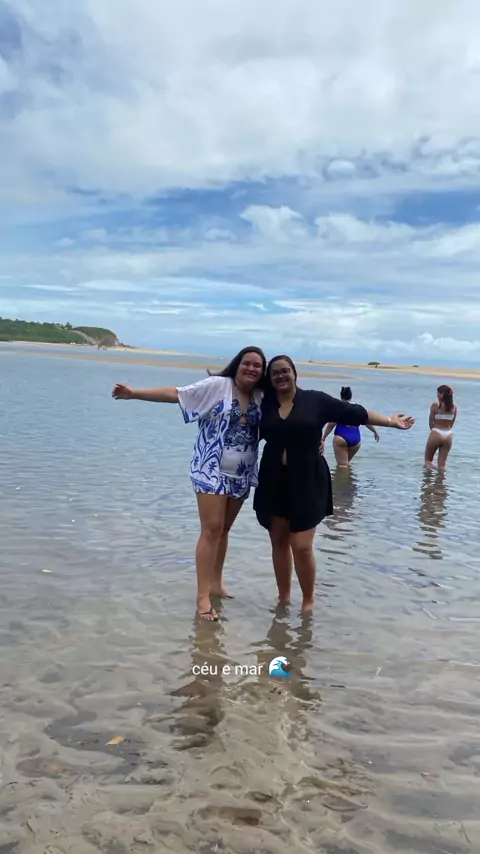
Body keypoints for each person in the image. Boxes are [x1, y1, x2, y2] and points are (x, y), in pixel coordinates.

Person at [111, 346, 266, 621]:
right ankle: (203, 597)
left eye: (258, 365)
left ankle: (216, 583)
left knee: (224, 530)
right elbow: (177, 394)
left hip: (242, 473)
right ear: (237, 364)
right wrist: (134, 393)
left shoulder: (260, 396)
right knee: (211, 529)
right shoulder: (218, 386)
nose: (252, 368)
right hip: (210, 469)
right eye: (247, 363)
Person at [253, 355, 415, 612]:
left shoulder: (315, 400)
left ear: (294, 373)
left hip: (307, 480)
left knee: (302, 546)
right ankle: (283, 599)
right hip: (273, 479)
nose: (281, 376)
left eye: (285, 371)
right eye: (275, 373)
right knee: (279, 542)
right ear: (269, 379)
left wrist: (389, 421)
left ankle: (308, 601)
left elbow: (356, 413)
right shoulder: (265, 404)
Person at [322, 386, 380, 467]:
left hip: (341, 437)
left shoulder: (338, 408)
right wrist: (375, 431)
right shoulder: (357, 409)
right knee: (347, 464)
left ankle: (340, 475)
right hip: (356, 439)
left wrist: (323, 438)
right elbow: (366, 421)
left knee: (342, 466)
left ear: (341, 396)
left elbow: (331, 425)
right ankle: (350, 475)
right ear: (350, 396)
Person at [424, 384, 457, 471]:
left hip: (437, 432)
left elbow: (431, 422)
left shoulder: (435, 405)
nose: (437, 395)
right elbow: (451, 424)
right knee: (442, 465)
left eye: (438, 393)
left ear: (442, 394)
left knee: (428, 460)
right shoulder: (454, 407)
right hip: (448, 434)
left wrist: (433, 432)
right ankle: (441, 479)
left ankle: (428, 479)